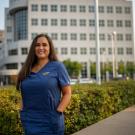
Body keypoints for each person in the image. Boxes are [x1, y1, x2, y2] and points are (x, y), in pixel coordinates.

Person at [16, 34, 71, 135]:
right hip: (29, 121)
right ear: (33, 48)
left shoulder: (58, 66)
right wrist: (22, 111)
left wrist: (58, 111)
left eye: (44, 45)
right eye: (37, 45)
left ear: (50, 48)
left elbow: (67, 93)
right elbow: (23, 93)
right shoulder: (27, 68)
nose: (41, 48)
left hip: (51, 121)